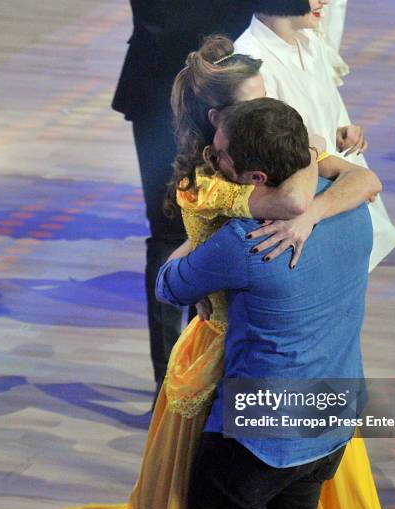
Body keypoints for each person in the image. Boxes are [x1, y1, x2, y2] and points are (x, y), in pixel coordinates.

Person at [27, 37, 395, 509]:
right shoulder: (335, 206)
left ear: (253, 168)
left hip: (257, 408)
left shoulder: (247, 238)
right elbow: (354, 182)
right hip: (327, 405)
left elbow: (170, 285)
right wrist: (315, 184)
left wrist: (204, 243)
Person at [156, 95, 371, 509]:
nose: (213, 153)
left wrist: (199, 227)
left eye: (223, 153)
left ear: (253, 177)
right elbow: (364, 180)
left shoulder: (245, 241)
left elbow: (169, 286)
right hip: (334, 412)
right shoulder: (349, 207)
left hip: (262, 433)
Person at [112, 1, 254, 393]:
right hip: (183, 85)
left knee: (203, 226)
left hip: (204, 83)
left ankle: (191, 378)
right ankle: (175, 384)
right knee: (178, 230)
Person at [234, 0, 395, 270]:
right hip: (295, 224)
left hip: (334, 206)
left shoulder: (311, 43)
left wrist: (339, 131)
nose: (325, 1)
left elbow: (322, 116)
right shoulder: (251, 66)